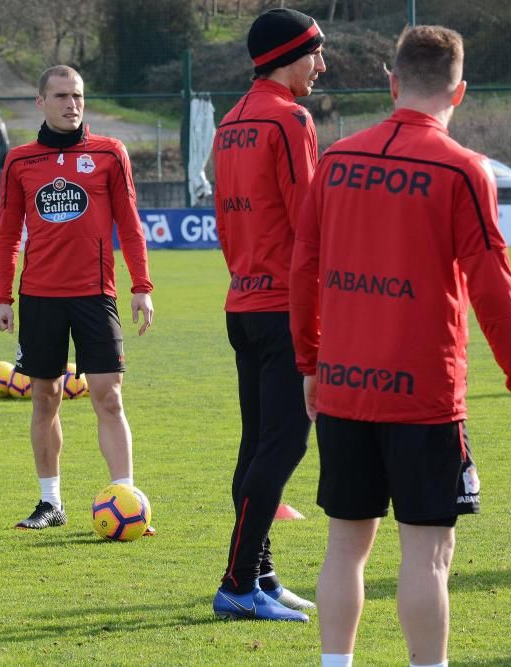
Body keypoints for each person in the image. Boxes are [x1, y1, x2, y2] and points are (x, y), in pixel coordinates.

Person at [288, 25, 511, 667]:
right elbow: (496, 291)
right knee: (428, 552)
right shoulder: (462, 169)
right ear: (459, 91)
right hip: (423, 398)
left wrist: (309, 364)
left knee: (345, 545)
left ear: (392, 82)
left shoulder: (339, 159)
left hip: (346, 386)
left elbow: (304, 269)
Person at [0, 65, 154, 532]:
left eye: (78, 95)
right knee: (45, 398)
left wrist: (141, 286)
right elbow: (7, 235)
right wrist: (3, 298)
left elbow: (130, 225)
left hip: (95, 296)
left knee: (109, 397)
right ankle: (50, 503)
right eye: (61, 95)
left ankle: (127, 496)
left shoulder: (109, 153)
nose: (72, 104)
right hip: (40, 297)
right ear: (41, 102)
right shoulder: (20, 161)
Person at [210, 8, 326, 623]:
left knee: (257, 443)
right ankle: (236, 582)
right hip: (286, 305)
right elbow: (311, 221)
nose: (322, 66)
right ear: (289, 55)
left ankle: (261, 573)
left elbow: (229, 225)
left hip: (242, 301)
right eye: (315, 53)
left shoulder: (230, 122)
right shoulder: (291, 119)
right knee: (283, 445)